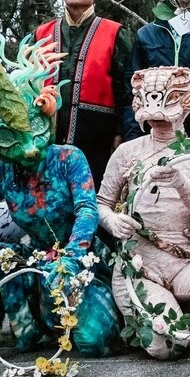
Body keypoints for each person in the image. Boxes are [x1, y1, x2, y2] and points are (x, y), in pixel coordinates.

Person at [98, 66, 190, 359]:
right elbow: (101, 204)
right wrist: (112, 221)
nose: (159, 117)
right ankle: (159, 316)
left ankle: (181, 306)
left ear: (187, 104)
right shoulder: (127, 152)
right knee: (167, 347)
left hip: (185, 264)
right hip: (139, 265)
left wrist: (181, 182)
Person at [0, 37, 121, 356]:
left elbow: (87, 209)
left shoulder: (68, 158)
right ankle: (29, 330)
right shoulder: (4, 167)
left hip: (80, 261)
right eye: (12, 136)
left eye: (34, 130)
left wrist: (71, 255)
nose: (27, 147)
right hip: (34, 262)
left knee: (93, 341)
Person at [128, 18, 190, 266]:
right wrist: (134, 132)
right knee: (161, 193)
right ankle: (156, 260)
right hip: (158, 129)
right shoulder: (146, 34)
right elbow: (130, 85)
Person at [34, 0, 134, 193]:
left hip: (98, 138)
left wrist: (122, 133)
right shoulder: (41, 34)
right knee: (51, 202)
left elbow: (126, 89)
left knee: (94, 202)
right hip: (46, 140)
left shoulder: (115, 32)